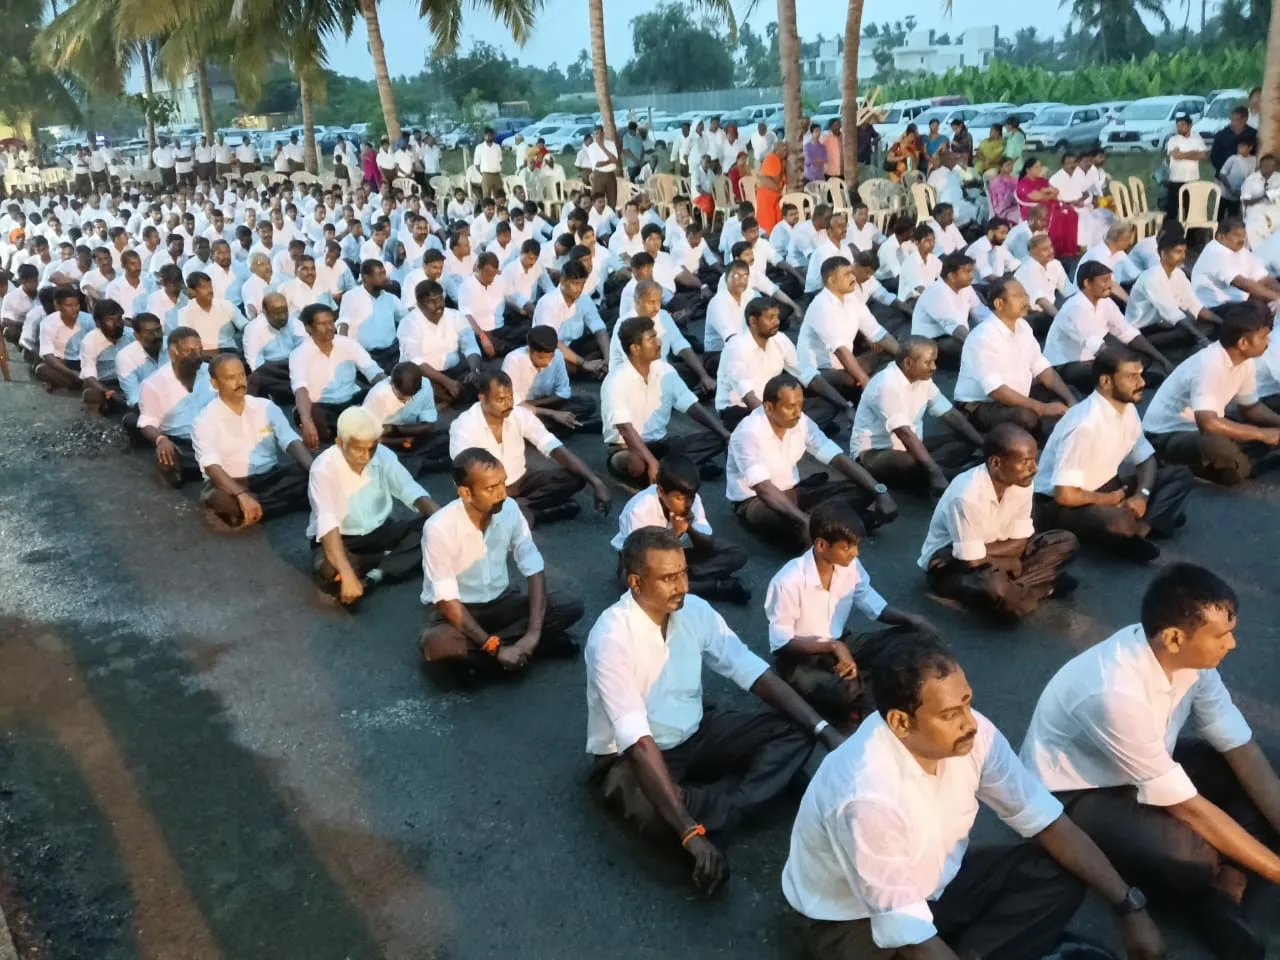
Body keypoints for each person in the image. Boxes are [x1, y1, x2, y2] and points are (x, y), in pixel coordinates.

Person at [783, 636, 1166, 960]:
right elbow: (907, 933)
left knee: (1059, 870)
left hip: (932, 885)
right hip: (851, 919)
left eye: (966, 701)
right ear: (901, 722)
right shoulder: (866, 797)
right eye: (950, 713)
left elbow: (1048, 821)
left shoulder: (972, 733)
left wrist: (1130, 907)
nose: (969, 722)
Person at [1021, 563, 1280, 959]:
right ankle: (1212, 889)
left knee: (1266, 764)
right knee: (1190, 858)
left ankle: (1226, 886)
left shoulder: (1192, 662)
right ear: (1175, 638)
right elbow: (1189, 808)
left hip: (1147, 764)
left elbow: (1239, 747)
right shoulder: (1115, 694)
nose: (1232, 644)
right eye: (1221, 635)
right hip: (1078, 791)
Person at [586, 525, 843, 893]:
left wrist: (824, 730)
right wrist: (688, 832)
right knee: (657, 815)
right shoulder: (611, 638)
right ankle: (731, 800)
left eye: (683, 573)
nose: (682, 586)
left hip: (696, 729)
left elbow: (751, 670)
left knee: (798, 731)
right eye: (668, 578)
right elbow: (637, 742)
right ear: (636, 583)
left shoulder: (695, 611)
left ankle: (721, 808)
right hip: (631, 756)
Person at [419, 446, 584, 685]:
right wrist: (493, 647)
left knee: (569, 605)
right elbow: (447, 603)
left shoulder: (510, 509)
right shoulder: (439, 528)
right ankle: (525, 652)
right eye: (491, 488)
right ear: (466, 492)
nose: (502, 494)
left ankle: (496, 661)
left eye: (503, 483)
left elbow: (534, 567)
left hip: (503, 602)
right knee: (439, 644)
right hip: (459, 613)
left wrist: (533, 634)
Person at [765, 501, 937, 726]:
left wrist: (911, 620)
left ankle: (865, 684)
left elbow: (873, 604)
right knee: (844, 691)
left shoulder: (851, 566)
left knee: (916, 637)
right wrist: (833, 647)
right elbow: (782, 643)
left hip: (843, 641)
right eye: (847, 547)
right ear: (821, 545)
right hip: (802, 659)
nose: (855, 553)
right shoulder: (788, 581)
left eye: (856, 546)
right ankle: (866, 691)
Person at [1033, 346, 1193, 563]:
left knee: (1179, 476)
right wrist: (1109, 500)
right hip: (1063, 504)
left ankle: (1141, 531)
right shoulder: (1084, 425)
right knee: (1119, 522)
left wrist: (1142, 496)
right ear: (1106, 381)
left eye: (1141, 375)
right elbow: (1065, 495)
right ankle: (1144, 523)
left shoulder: (1127, 409)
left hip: (1108, 487)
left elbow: (1145, 458)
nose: (1142, 383)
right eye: (1132, 377)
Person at [919, 423, 1079, 623]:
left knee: (1065, 541)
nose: (1034, 469)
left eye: (1034, 460)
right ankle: (1040, 589)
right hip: (952, 566)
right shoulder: (967, 495)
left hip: (982, 553)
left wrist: (1005, 558)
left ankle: (1015, 594)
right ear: (996, 463)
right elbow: (971, 562)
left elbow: (1020, 542)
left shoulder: (1022, 483)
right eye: (1025, 462)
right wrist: (1009, 562)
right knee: (994, 588)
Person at [726, 373, 898, 549]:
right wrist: (803, 521)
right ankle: (836, 523)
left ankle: (825, 526)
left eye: (800, 405)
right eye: (791, 407)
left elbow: (837, 458)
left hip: (793, 491)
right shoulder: (747, 433)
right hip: (756, 501)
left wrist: (880, 492)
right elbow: (763, 488)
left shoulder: (800, 421)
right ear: (769, 407)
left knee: (865, 489)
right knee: (790, 531)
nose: (798, 413)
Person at [307, 405, 438, 604]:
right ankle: (389, 560)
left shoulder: (383, 455)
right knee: (330, 571)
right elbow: (328, 525)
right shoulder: (323, 469)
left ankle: (376, 574)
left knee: (432, 531)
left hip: (381, 530)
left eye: (372, 448)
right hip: (342, 538)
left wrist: (445, 522)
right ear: (340, 442)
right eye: (358, 449)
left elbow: (411, 490)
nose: (366, 457)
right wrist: (346, 573)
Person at [1142, 302, 1280, 486]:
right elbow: (1208, 423)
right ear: (1243, 343)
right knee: (1218, 447)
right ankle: (1175, 465)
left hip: (1198, 426)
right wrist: (1263, 434)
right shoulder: (1210, 365)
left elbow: (1251, 408)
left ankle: (1237, 462)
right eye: (1263, 337)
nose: (1268, 341)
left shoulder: (1244, 361)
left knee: (1247, 430)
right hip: (1165, 434)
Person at [449, 370, 611, 526]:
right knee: (477, 507)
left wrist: (596, 482)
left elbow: (554, 447)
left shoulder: (518, 414)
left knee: (576, 477)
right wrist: (495, 494)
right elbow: (466, 475)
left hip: (520, 481)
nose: (508, 404)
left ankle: (521, 507)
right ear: (483, 399)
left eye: (510, 398)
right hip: (487, 489)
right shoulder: (464, 426)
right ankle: (534, 512)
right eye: (501, 400)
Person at [601, 316, 730, 485]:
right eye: (652, 339)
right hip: (627, 448)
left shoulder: (664, 369)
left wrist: (726, 435)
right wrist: (652, 462)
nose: (659, 343)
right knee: (637, 464)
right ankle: (676, 470)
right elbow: (625, 429)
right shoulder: (616, 380)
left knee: (716, 437)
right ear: (635, 348)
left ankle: (669, 472)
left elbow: (692, 405)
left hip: (660, 445)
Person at [191, 352, 312, 529]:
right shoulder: (205, 420)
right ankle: (289, 501)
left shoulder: (265, 406)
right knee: (222, 500)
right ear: (214, 383)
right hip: (232, 482)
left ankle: (258, 509)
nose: (239, 382)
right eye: (231, 377)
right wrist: (241, 495)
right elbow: (211, 467)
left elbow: (290, 440)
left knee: (313, 466)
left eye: (242, 375)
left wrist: (315, 470)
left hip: (271, 475)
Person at [853, 336, 985, 498]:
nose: (934, 367)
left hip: (912, 445)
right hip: (875, 453)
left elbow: (950, 414)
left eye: (934, 361)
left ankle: (928, 473)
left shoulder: (922, 379)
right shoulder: (886, 385)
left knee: (964, 440)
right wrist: (935, 473)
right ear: (908, 363)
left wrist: (984, 446)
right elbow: (904, 433)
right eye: (928, 362)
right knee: (911, 462)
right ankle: (955, 475)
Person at [610, 454, 749, 604]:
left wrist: (689, 528)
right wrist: (674, 533)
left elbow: (707, 544)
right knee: (641, 583)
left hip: (677, 555)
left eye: (691, 497)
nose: (687, 504)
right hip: (639, 562)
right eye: (679, 498)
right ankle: (713, 586)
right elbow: (646, 558)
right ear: (661, 492)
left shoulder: (692, 500)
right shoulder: (639, 510)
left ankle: (681, 578)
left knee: (736, 554)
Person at [953, 276, 1075, 439]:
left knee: (1067, 393)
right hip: (979, 405)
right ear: (999, 304)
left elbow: (1041, 367)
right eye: (1017, 296)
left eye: (1025, 294)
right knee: (1027, 417)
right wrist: (1042, 408)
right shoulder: (983, 337)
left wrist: (1070, 400)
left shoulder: (1023, 326)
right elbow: (996, 390)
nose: (1025, 300)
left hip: (1015, 394)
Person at [717, 295, 846, 432]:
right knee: (762, 429)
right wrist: (777, 421)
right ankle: (800, 430)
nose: (777, 322)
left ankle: (797, 430)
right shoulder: (736, 348)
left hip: (773, 405)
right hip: (741, 411)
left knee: (829, 404)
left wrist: (846, 406)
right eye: (771, 318)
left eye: (777, 317)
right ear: (753, 321)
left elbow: (807, 374)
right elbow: (749, 398)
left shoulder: (779, 339)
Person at [1045, 261, 1172, 393]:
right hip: (1068, 364)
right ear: (1087, 283)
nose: (1110, 285)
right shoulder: (1075, 308)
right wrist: (1124, 367)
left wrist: (1162, 360)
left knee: (1143, 357)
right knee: (1105, 371)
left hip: (1095, 357)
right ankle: (1132, 381)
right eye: (1105, 280)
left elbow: (1127, 332)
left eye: (1110, 280)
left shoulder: (1105, 302)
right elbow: (1096, 346)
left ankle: (1130, 379)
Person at [799, 256, 898, 402]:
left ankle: (877, 392)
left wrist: (905, 355)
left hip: (845, 364)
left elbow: (877, 333)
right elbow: (840, 351)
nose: (853, 277)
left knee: (892, 355)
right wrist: (864, 380)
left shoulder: (852, 299)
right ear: (832, 280)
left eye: (852, 272)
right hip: (820, 371)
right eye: (847, 274)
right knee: (852, 379)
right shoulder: (822, 306)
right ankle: (866, 396)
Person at [291, 302, 385, 448]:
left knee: (378, 394)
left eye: (331, 322)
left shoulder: (348, 344)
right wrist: (307, 421)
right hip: (323, 406)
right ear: (308, 328)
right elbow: (300, 389)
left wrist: (388, 390)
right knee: (305, 414)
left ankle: (350, 431)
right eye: (322, 324)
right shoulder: (299, 354)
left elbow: (372, 370)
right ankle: (354, 431)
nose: (330, 327)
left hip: (352, 400)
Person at [135, 326, 217, 487]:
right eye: (189, 351)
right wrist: (161, 440)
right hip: (182, 443)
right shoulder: (153, 384)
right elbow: (146, 423)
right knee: (168, 456)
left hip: (214, 437)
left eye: (199, 350)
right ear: (173, 353)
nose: (197, 356)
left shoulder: (212, 373)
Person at [1127, 227, 1221, 352]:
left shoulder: (1179, 274)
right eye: (1178, 252)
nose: (1183, 256)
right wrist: (1202, 339)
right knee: (1188, 331)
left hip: (1163, 324)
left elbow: (1195, 306)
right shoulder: (1152, 277)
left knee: (1207, 325)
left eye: (1184, 251)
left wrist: (1223, 324)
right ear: (1163, 254)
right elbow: (1173, 314)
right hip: (1142, 331)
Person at [399, 277, 480, 409]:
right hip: (424, 375)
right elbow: (416, 362)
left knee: (482, 381)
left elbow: (471, 347)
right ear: (419, 304)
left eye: (440, 299)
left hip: (454, 370)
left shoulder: (456, 316)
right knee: (417, 386)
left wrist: (474, 370)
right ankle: (440, 398)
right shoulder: (409, 323)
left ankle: (444, 400)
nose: (438, 305)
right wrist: (447, 382)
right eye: (431, 301)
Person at [502, 325, 598, 435]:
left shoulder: (558, 355)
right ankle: (576, 426)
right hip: (519, 409)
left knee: (587, 403)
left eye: (550, 357)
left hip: (545, 404)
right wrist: (552, 413)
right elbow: (510, 404)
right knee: (513, 419)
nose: (547, 362)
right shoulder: (513, 360)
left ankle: (552, 428)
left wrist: (540, 406)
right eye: (541, 357)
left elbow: (563, 392)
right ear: (530, 350)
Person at [362, 361, 450, 476]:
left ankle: (419, 461)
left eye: (411, 396)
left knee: (449, 435)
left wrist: (395, 430)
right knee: (380, 459)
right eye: (401, 396)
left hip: (409, 432)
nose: (407, 400)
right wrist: (399, 440)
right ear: (391, 383)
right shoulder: (377, 396)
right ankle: (432, 464)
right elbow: (367, 438)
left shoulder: (425, 386)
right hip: (385, 440)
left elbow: (429, 426)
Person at [910, 253, 992, 370]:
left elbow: (979, 311)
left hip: (955, 335)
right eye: (967, 272)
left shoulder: (966, 287)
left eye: (971, 271)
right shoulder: (937, 292)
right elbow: (954, 327)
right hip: (931, 342)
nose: (971, 276)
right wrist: (977, 345)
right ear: (952, 276)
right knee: (980, 353)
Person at [1191, 217, 1280, 312]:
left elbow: (1263, 278)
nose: (1242, 239)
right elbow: (1240, 283)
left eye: (1244, 236)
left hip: (1238, 303)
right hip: (1215, 307)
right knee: (1262, 310)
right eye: (1237, 235)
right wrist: (1276, 297)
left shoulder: (1242, 251)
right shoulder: (1215, 253)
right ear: (1221, 237)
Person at [33, 286, 94, 393]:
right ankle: (79, 383)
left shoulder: (88, 320)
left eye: (77, 305)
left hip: (85, 361)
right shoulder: (48, 323)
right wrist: (71, 373)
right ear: (57, 305)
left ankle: (76, 384)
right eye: (69, 305)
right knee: (42, 369)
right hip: (63, 363)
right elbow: (48, 355)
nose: (74, 309)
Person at [77, 298, 132, 416]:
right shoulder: (90, 341)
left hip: (127, 380)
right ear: (98, 323)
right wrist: (110, 392)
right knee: (90, 395)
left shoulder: (131, 335)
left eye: (119, 318)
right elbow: (89, 376)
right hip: (104, 383)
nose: (117, 324)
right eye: (111, 320)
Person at [1016, 157, 1078, 258]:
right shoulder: (1023, 183)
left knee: (1071, 214)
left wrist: (1045, 192)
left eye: (1040, 166)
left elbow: (1055, 192)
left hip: (1050, 206)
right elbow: (1037, 197)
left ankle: (1067, 249)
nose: (1040, 169)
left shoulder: (1042, 180)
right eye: (1037, 167)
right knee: (1059, 217)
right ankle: (1056, 249)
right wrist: (1047, 193)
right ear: (1028, 169)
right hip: (1034, 210)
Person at [1164, 113, 1209, 220]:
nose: (1180, 128)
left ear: (1190, 125)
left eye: (1183, 125)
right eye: (1178, 126)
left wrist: (1183, 154)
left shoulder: (1197, 139)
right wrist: (1194, 153)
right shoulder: (1173, 140)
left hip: (1192, 179)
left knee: (1191, 211)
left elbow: (1203, 156)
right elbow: (1176, 156)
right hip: (1175, 179)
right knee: (1172, 210)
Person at [586, 126, 620, 210]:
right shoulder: (591, 147)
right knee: (597, 201)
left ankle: (611, 216)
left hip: (610, 174)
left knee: (612, 201)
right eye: (596, 134)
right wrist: (610, 160)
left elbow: (615, 160)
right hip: (599, 175)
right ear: (593, 135)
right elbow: (597, 164)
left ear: (603, 133)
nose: (598, 136)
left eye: (600, 133)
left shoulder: (610, 144)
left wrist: (602, 147)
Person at [756, 141, 786, 234]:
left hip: (774, 197)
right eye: (783, 150)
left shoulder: (778, 159)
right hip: (767, 197)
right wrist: (783, 165)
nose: (785, 152)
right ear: (777, 150)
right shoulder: (772, 159)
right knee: (768, 225)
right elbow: (777, 181)